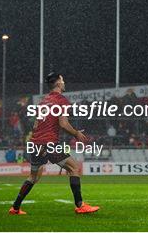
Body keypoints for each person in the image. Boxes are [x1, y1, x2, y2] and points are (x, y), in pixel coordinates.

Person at [9, 73, 99, 215]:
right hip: (49, 143)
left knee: (33, 177)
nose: (64, 82)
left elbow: (36, 125)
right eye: (62, 80)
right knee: (74, 168)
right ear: (58, 84)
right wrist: (76, 133)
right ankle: (80, 205)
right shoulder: (61, 100)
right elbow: (63, 123)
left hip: (36, 143)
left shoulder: (43, 101)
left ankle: (15, 207)